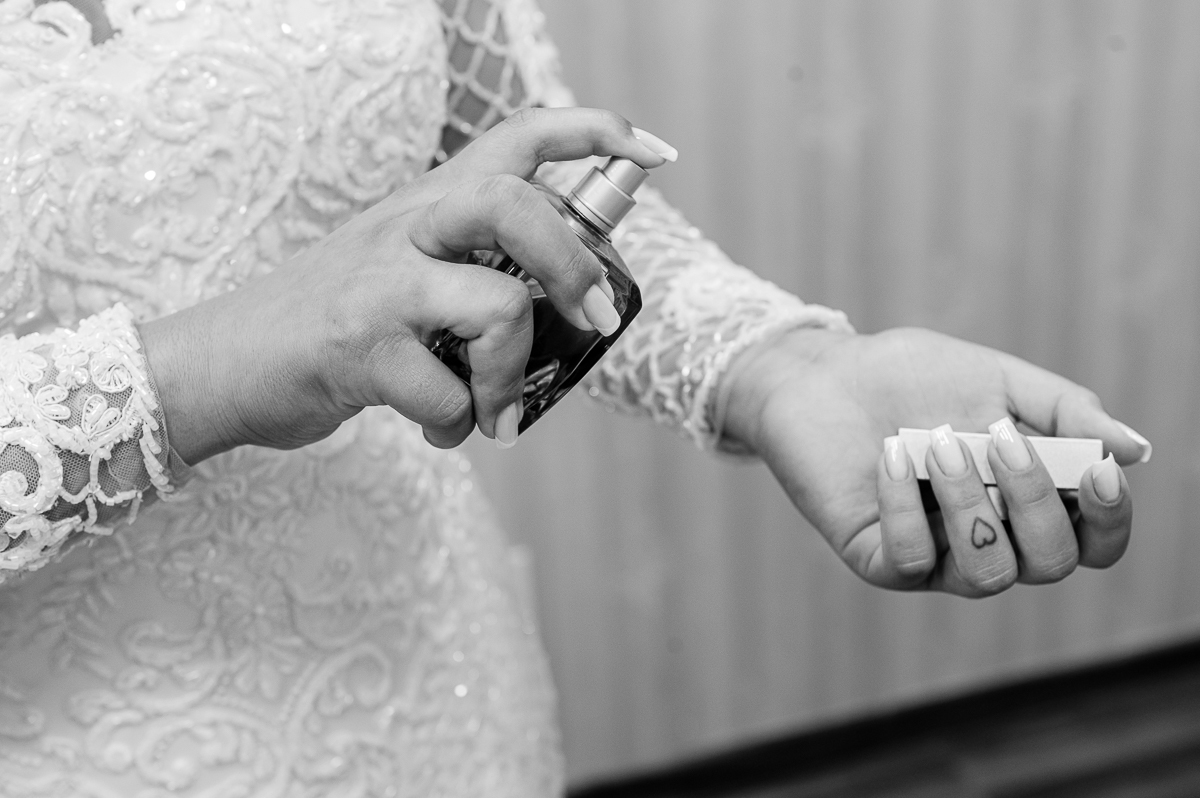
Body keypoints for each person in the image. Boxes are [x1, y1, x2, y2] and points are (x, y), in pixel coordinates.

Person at [0, 0, 1147, 794]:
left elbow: (531, 212)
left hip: (429, 676)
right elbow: (323, 303)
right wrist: (211, 365)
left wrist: (779, 365)